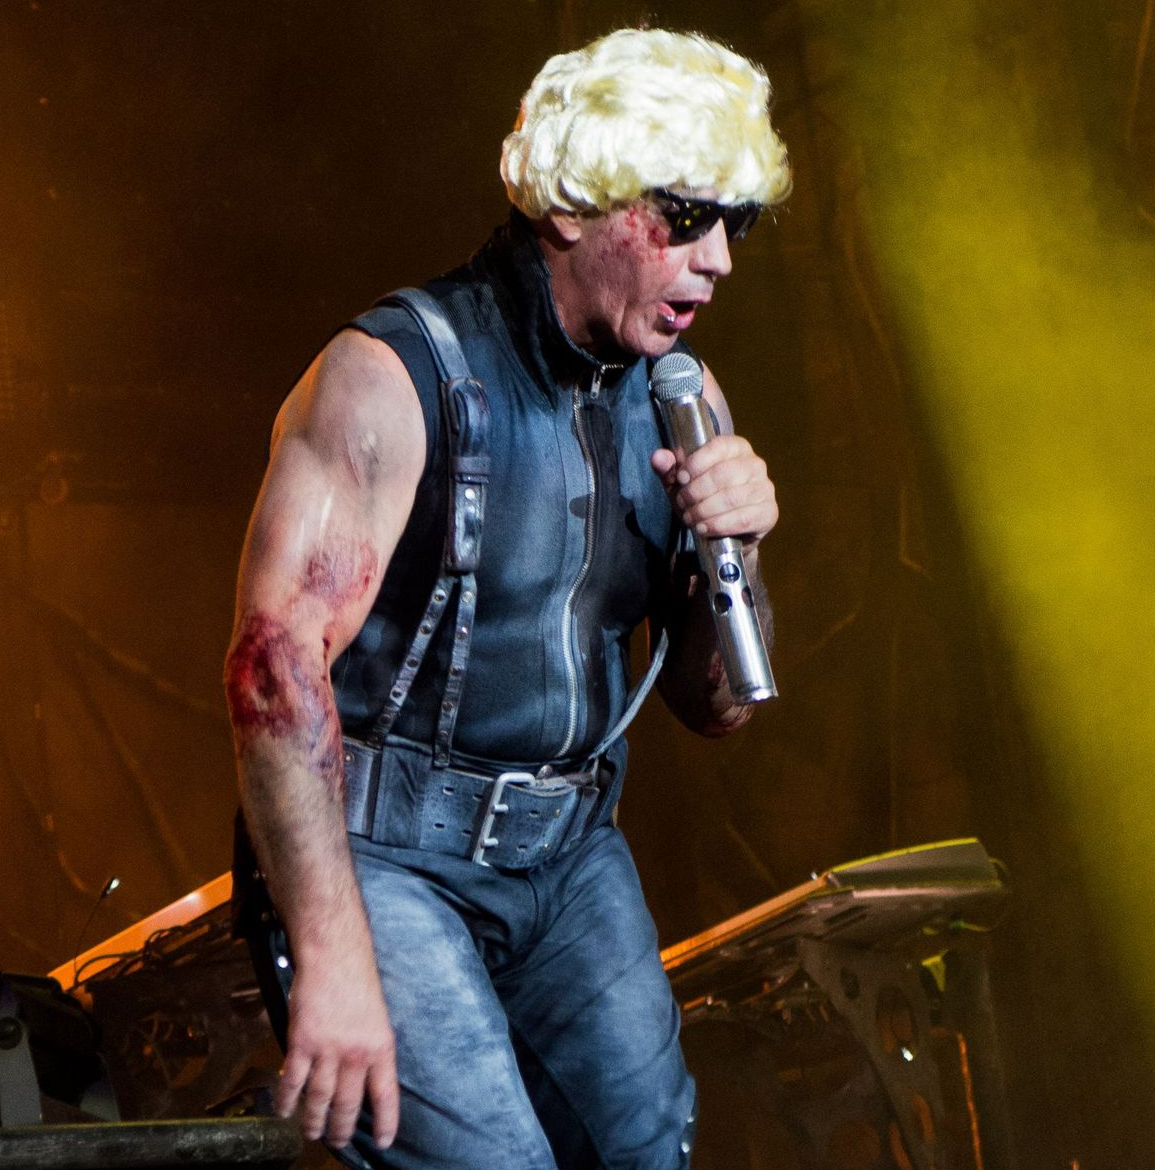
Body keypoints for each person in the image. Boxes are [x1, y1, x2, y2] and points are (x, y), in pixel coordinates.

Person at [224, 27, 791, 1170]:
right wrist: (332, 954)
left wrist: (731, 547)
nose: (719, 259)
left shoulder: (682, 400)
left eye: (737, 223)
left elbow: (718, 707)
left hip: (571, 859)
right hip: (386, 862)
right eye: (685, 216)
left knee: (651, 1148)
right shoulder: (391, 377)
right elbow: (274, 674)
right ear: (573, 205)